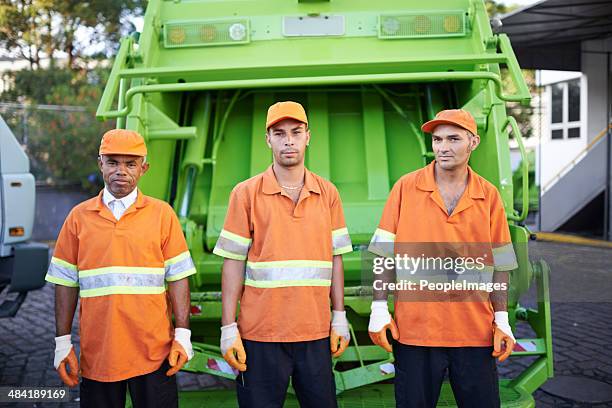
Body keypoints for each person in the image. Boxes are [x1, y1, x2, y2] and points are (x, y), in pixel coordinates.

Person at [367, 109, 518, 407]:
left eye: (453, 138)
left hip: (474, 332)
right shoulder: (405, 188)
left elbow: (502, 263)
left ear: (473, 142)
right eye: (437, 139)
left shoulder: (488, 196)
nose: (443, 147)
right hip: (415, 333)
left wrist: (502, 318)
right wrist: (379, 308)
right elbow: (383, 253)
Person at [213, 101, 352, 407]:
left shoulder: (328, 194)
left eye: (296, 132)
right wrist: (228, 328)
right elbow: (232, 263)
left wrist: (339, 317)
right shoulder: (245, 193)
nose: (288, 139)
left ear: (307, 136)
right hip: (260, 334)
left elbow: (336, 256)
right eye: (279, 133)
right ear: (268, 139)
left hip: (315, 332)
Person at [45, 129, 197, 408]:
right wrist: (62, 343)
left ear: (144, 168)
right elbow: (65, 283)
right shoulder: (78, 218)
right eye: (113, 162)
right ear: (100, 164)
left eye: (130, 163)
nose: (121, 171)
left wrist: (183, 336)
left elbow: (178, 278)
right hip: (99, 355)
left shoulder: (162, 215)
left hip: (154, 354)